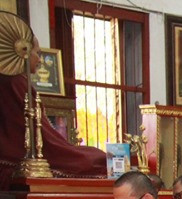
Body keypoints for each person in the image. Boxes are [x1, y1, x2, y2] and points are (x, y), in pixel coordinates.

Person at [0, 36, 106, 186]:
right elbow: (40, 133)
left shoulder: (12, 81)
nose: (40, 60)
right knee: (97, 159)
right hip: (22, 158)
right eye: (37, 53)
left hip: (10, 156)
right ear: (23, 53)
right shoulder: (16, 82)